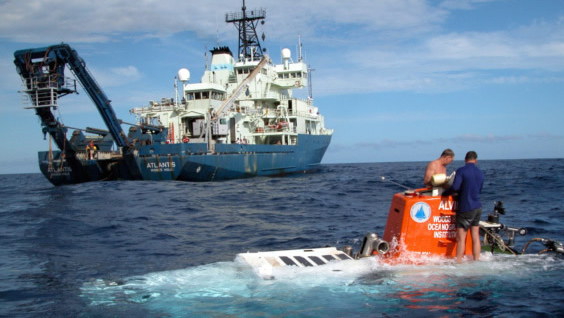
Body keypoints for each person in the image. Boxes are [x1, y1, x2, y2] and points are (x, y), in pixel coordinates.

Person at [444, 151, 484, 262]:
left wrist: (445, 194)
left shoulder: (461, 171)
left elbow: (455, 187)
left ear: (465, 160)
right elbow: (479, 190)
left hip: (466, 207)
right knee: (475, 236)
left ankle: (459, 262)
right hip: (478, 207)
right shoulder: (480, 172)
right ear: (475, 160)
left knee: (461, 238)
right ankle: (476, 260)